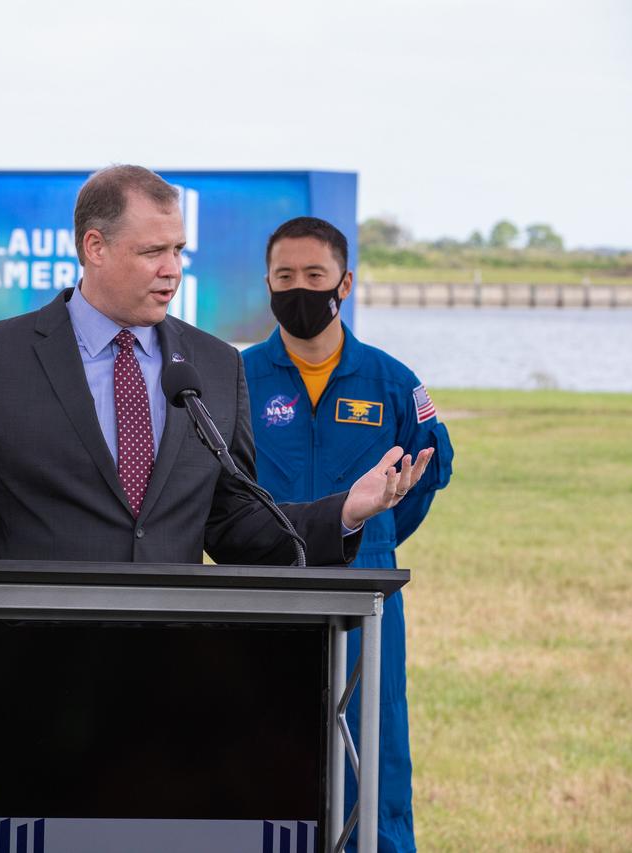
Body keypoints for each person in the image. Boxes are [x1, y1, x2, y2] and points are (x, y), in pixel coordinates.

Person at [0, 165, 434, 571]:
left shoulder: (216, 365)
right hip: (33, 652)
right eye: (154, 251)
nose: (172, 270)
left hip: (173, 658)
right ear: (95, 247)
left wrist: (345, 513)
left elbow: (232, 524)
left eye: (178, 250)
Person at [243, 216, 454, 852]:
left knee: (374, 749)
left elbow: (424, 477)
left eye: (315, 275)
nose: (299, 288)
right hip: (263, 592)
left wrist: (374, 538)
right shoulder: (236, 378)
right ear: (268, 285)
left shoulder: (392, 382)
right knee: (258, 743)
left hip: (367, 601)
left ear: (345, 282)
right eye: (285, 277)